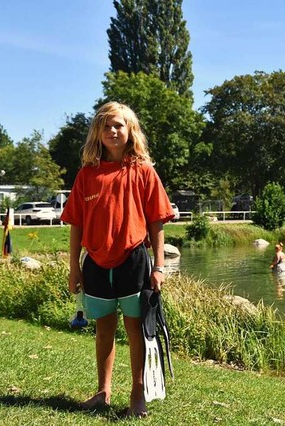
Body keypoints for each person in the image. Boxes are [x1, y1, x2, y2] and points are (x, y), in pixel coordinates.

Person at [60, 101, 174, 418]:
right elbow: (76, 224)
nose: (112, 130)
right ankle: (103, 391)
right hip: (95, 264)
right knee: (104, 329)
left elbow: (157, 223)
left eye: (119, 125)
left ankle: (137, 394)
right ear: (97, 132)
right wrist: (74, 267)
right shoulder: (87, 176)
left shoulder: (144, 172)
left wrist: (160, 266)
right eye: (106, 125)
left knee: (135, 330)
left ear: (130, 130)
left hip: (134, 260)